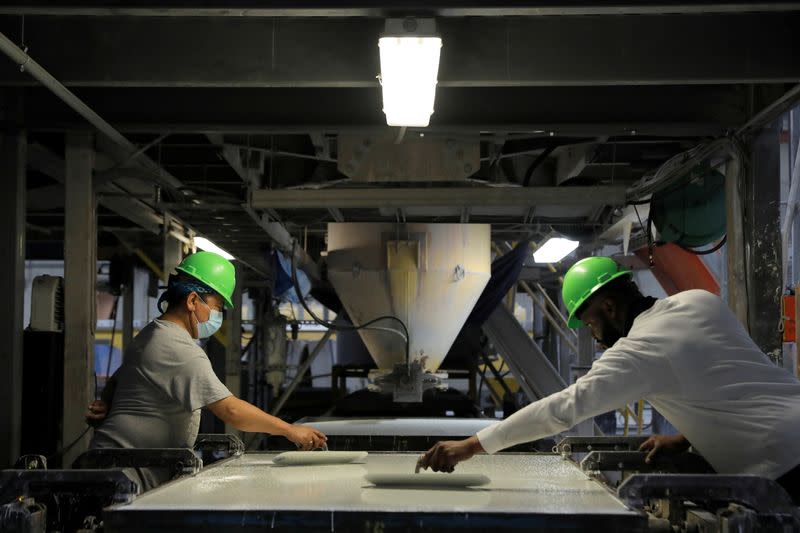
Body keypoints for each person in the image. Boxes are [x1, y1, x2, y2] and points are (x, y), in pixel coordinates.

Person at [418, 256, 800, 502]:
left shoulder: (637, 351)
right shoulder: (699, 300)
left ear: (609, 307)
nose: (595, 338)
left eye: (590, 324)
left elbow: (562, 410)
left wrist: (470, 445)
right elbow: (728, 379)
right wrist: (685, 437)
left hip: (782, 463)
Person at [87, 251, 326, 490]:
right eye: (217, 306)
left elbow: (118, 381)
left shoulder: (151, 334)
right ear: (192, 301)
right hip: (121, 477)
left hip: (114, 466)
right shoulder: (177, 347)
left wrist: (107, 404)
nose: (218, 315)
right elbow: (230, 410)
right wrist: (289, 430)